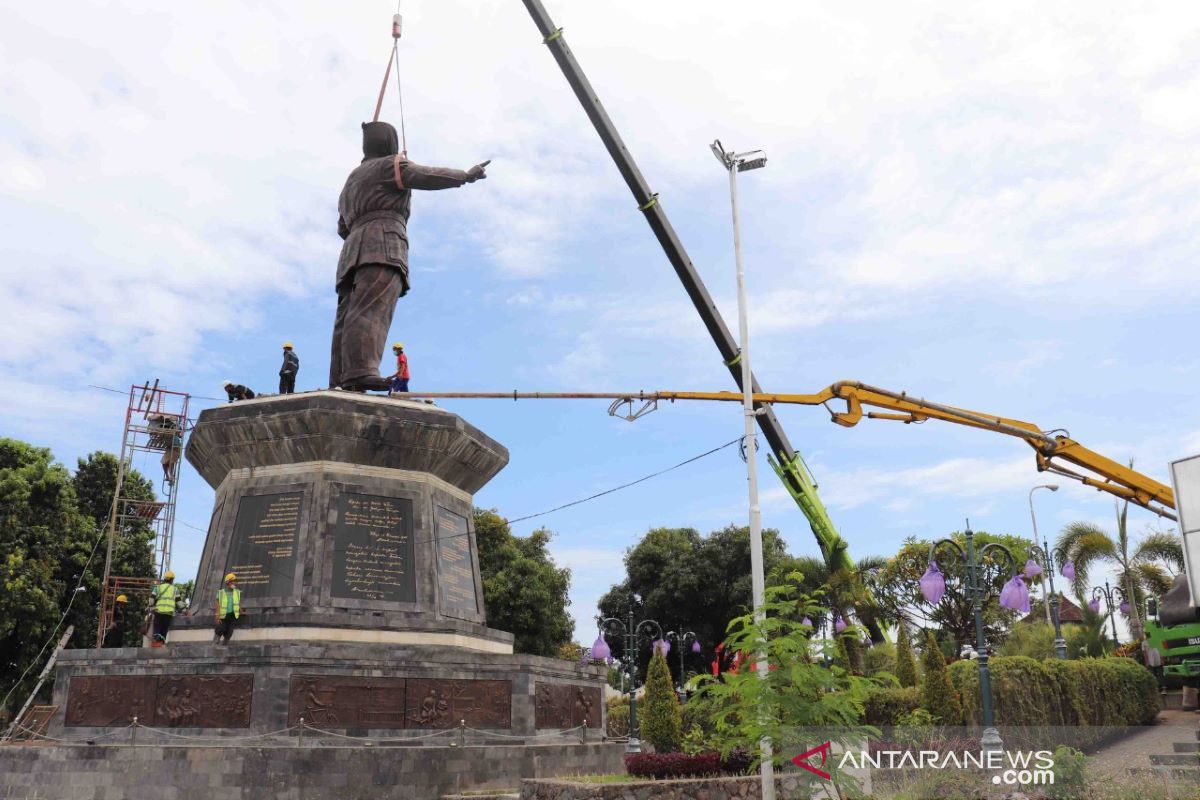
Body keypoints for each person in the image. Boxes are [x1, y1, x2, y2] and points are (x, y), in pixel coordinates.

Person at [329, 120, 489, 391]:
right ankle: (360, 371)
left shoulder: (351, 181)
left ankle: (342, 377)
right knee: (372, 309)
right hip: (382, 243)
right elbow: (425, 175)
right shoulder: (390, 165)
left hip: (352, 250)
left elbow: (342, 227)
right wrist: (465, 175)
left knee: (347, 316)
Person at [150, 571, 181, 647]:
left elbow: (151, 598)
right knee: (164, 630)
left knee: (157, 629)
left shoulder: (157, 587)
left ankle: (156, 642)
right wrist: (185, 610)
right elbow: (179, 602)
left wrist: (152, 607)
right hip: (168, 614)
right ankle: (161, 643)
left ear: (164, 579)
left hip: (158, 612)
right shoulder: (175, 589)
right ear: (172, 580)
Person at [213, 573, 242, 646]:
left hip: (232, 615)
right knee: (220, 629)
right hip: (223, 616)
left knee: (229, 632)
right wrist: (217, 616)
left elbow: (237, 604)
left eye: (235, 581)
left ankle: (224, 646)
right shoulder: (221, 592)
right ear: (227, 582)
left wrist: (241, 611)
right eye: (233, 581)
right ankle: (214, 645)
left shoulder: (237, 592)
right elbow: (217, 604)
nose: (235, 583)